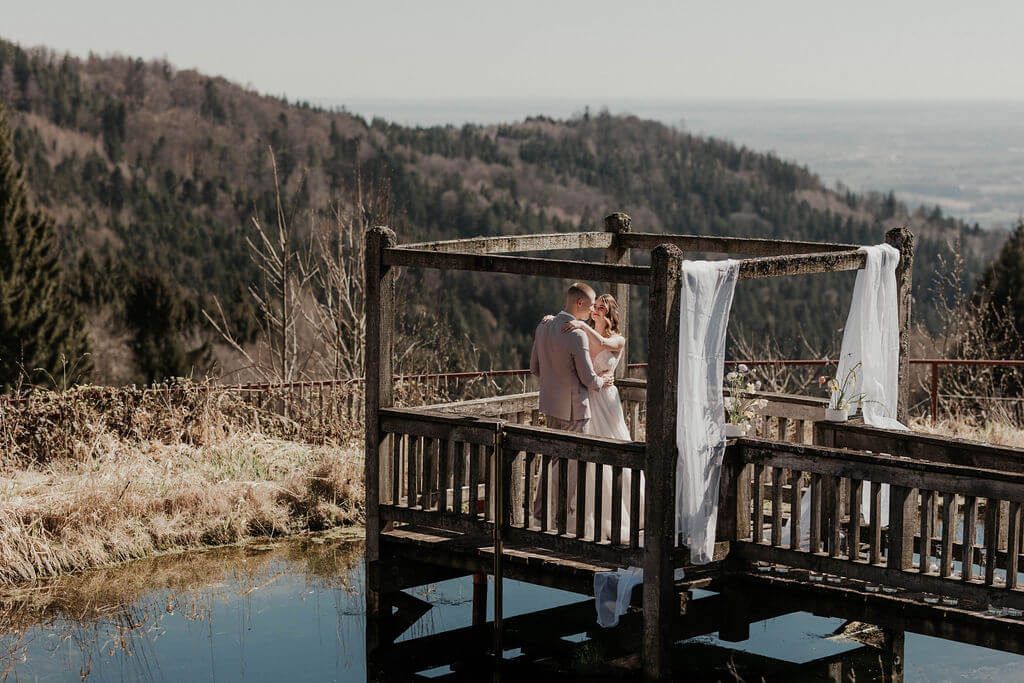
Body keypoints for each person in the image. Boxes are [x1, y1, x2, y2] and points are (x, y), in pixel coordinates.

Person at [559, 294, 640, 541]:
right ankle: (592, 513)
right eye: (595, 306)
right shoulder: (583, 334)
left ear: (609, 312)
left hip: (608, 399)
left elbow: (606, 343)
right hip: (589, 397)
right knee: (591, 453)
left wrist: (584, 325)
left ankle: (628, 510)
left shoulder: (617, 338)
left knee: (615, 445)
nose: (595, 309)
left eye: (601, 307)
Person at [529, 282, 610, 524]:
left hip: (551, 406)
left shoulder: (543, 327)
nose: (592, 311)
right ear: (579, 304)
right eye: (591, 306)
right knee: (573, 468)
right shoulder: (576, 334)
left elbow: (534, 368)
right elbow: (588, 378)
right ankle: (562, 521)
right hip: (576, 409)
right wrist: (603, 380)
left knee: (552, 460)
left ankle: (540, 513)